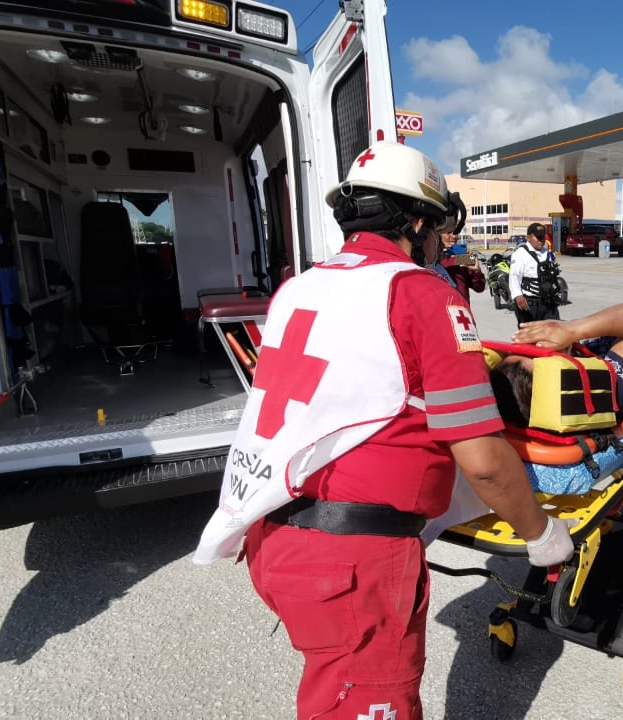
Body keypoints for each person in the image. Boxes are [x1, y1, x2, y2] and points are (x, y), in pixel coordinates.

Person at [195, 141, 573, 719]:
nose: (439, 240)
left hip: (275, 535)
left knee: (331, 686)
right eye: (437, 226)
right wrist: (541, 535)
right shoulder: (421, 294)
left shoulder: (300, 287)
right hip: (352, 567)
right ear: (418, 221)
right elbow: (484, 460)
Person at [491, 298, 623, 424]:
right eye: (538, 354)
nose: (540, 346)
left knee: (611, 339)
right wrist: (572, 330)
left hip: (604, 351)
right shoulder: (610, 393)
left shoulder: (541, 404)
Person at [509, 222, 562, 326]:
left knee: (553, 331)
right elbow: (514, 276)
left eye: (542, 237)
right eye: (538, 237)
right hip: (530, 303)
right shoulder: (520, 254)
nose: (541, 240)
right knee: (529, 336)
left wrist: (557, 294)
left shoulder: (547, 253)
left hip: (548, 303)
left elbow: (552, 275)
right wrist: (518, 296)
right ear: (528, 237)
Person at [436, 224, 486, 304]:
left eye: (456, 232)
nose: (454, 236)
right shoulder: (430, 259)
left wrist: (477, 271)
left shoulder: (463, 258)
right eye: (449, 232)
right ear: (438, 235)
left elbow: (479, 287)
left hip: (460, 311)